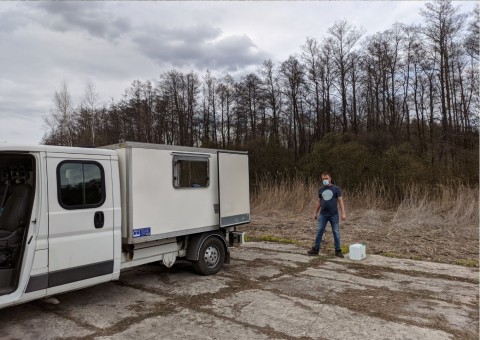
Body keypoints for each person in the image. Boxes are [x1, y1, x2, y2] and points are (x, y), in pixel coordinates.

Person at [307, 172, 346, 257]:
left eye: (326, 178)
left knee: (336, 232)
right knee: (319, 231)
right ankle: (315, 249)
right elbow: (319, 202)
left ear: (330, 178)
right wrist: (315, 213)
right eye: (323, 179)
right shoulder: (321, 190)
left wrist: (343, 213)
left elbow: (340, 201)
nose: (325, 180)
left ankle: (338, 251)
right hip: (323, 215)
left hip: (334, 215)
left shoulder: (336, 189)